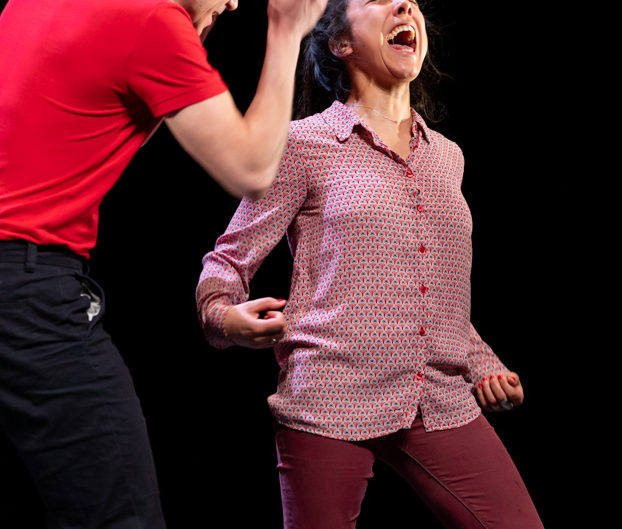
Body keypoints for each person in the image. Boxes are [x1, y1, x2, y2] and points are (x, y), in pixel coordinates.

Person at [196, 1, 545, 528]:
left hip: (439, 397)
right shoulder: (302, 144)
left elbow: (437, 292)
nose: (407, 5)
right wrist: (223, 318)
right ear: (341, 44)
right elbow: (228, 258)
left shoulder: (447, 156)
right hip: (328, 400)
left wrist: (483, 361)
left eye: (412, 0)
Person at [0, 0, 326, 527]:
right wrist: (286, 32)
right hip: (25, 290)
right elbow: (250, 168)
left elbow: (114, 106)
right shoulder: (152, 22)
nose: (232, 2)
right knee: (122, 516)